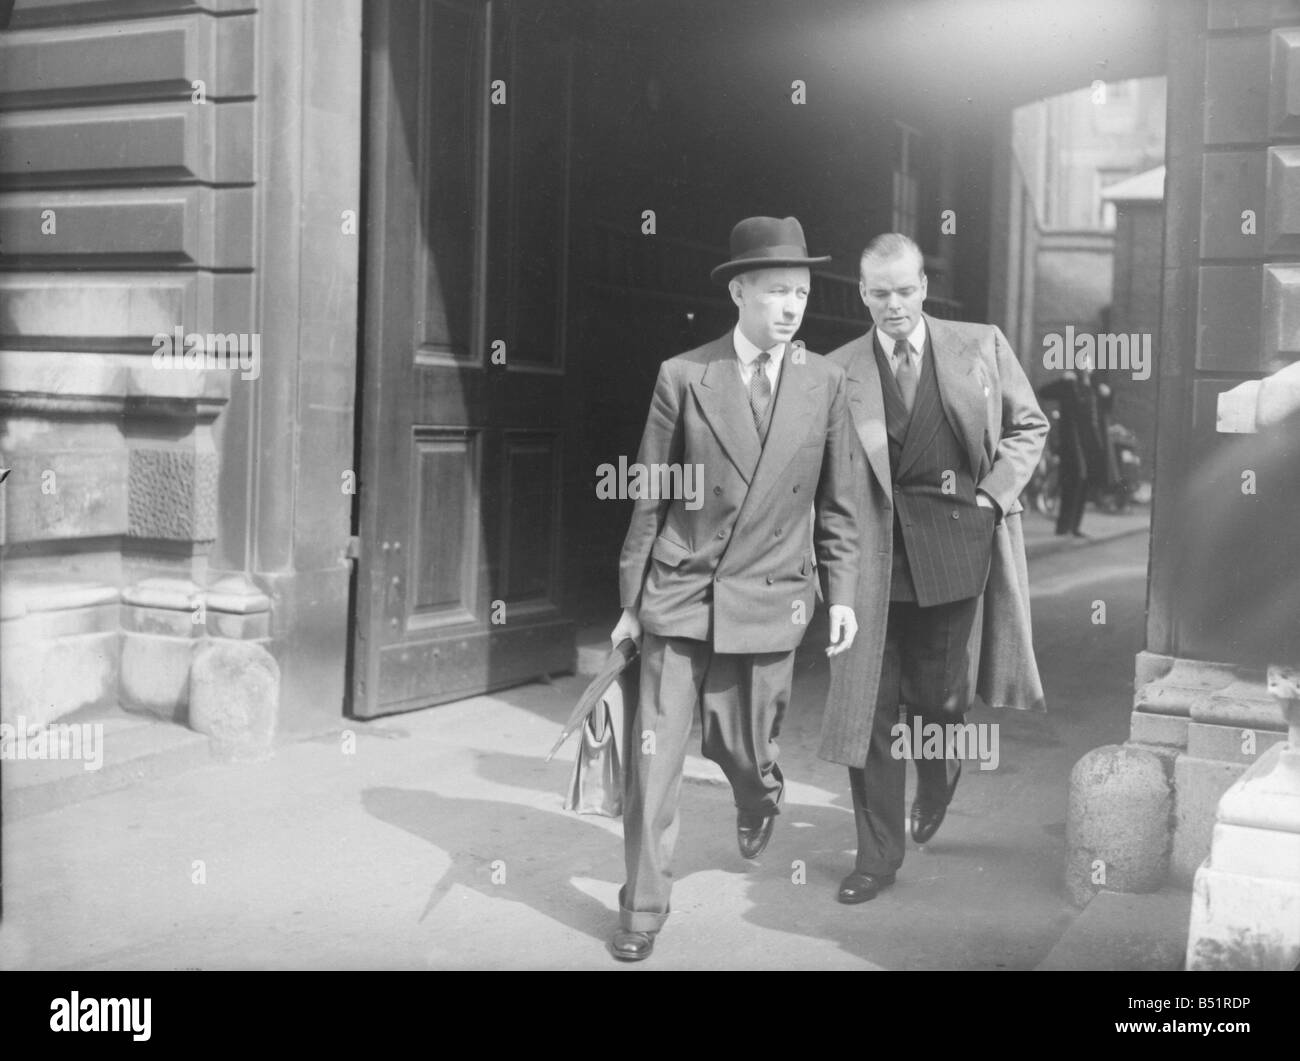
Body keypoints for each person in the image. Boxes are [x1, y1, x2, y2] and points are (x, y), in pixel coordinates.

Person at [607, 216, 861, 961]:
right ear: (740, 291)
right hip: (680, 592)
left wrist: (840, 592)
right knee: (655, 757)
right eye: (777, 290)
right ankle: (642, 907)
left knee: (740, 744)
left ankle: (758, 792)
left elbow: (839, 504)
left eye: (802, 293)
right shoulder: (684, 375)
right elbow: (650, 496)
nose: (791, 306)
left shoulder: (826, 383)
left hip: (771, 592)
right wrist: (629, 601)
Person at [820, 233, 1048, 905]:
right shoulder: (836, 371)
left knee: (940, 702)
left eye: (905, 289)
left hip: (955, 548)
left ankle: (940, 770)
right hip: (872, 563)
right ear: (862, 294)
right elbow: (822, 478)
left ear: (925, 287)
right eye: (879, 293)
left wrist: (991, 497)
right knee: (871, 710)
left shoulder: (980, 345)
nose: (893, 305)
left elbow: (1028, 426)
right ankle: (877, 855)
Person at [1039, 367, 1105, 536]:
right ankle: (1063, 527)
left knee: (1083, 482)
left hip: (1088, 443)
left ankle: (1074, 527)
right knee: (1073, 481)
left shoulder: (1093, 388)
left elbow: (1101, 412)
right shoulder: (1069, 384)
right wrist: (1062, 381)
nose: (1087, 368)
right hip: (1072, 442)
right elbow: (1043, 392)